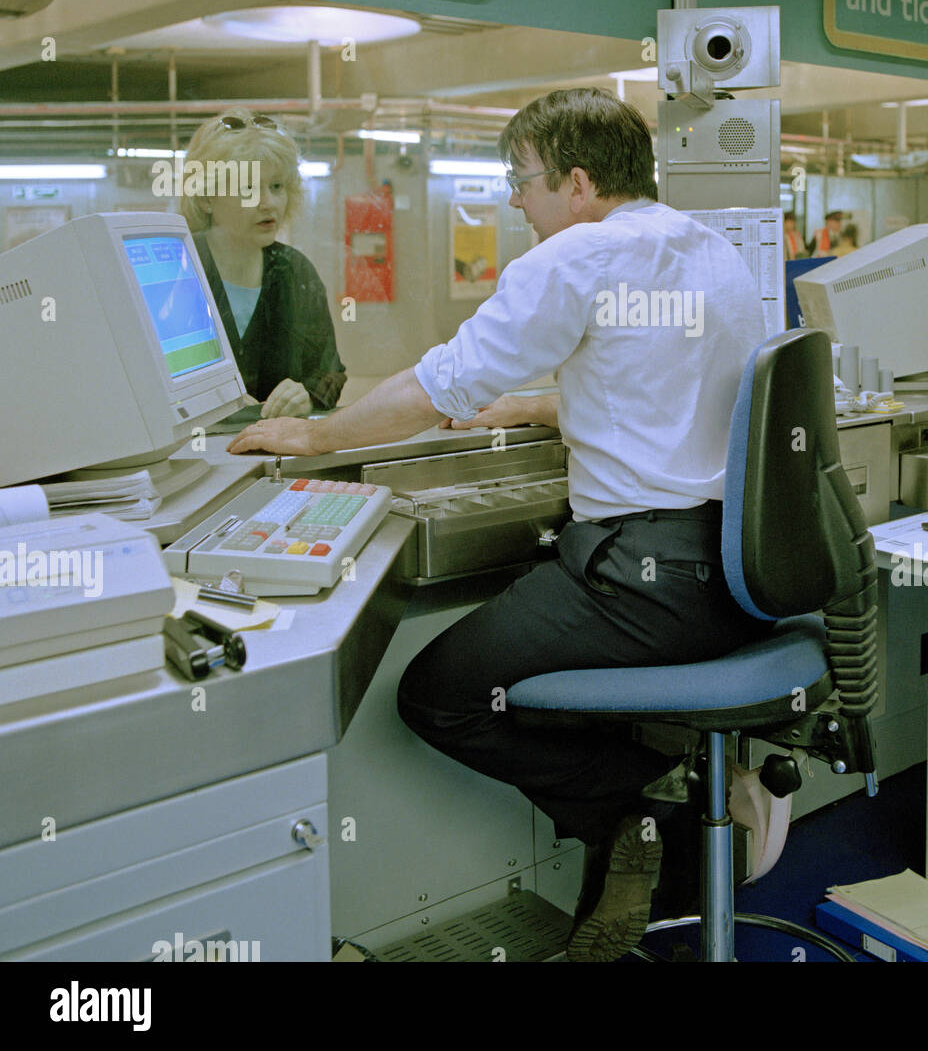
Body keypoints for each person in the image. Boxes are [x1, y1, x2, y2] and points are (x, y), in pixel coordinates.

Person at [226, 88, 770, 960]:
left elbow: (436, 386)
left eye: (523, 181)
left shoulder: (576, 257)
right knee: (524, 670)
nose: (515, 200)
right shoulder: (712, 250)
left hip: (639, 580)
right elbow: (674, 390)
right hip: (732, 576)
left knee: (440, 693)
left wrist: (317, 434)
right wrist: (542, 406)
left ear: (579, 183)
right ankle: (653, 817)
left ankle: (640, 806)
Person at [180, 108, 346, 417]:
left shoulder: (295, 271)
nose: (268, 202)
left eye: (277, 186)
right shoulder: (177, 271)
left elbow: (329, 373)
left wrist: (306, 397)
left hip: (277, 453)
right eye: (248, 188)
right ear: (205, 197)